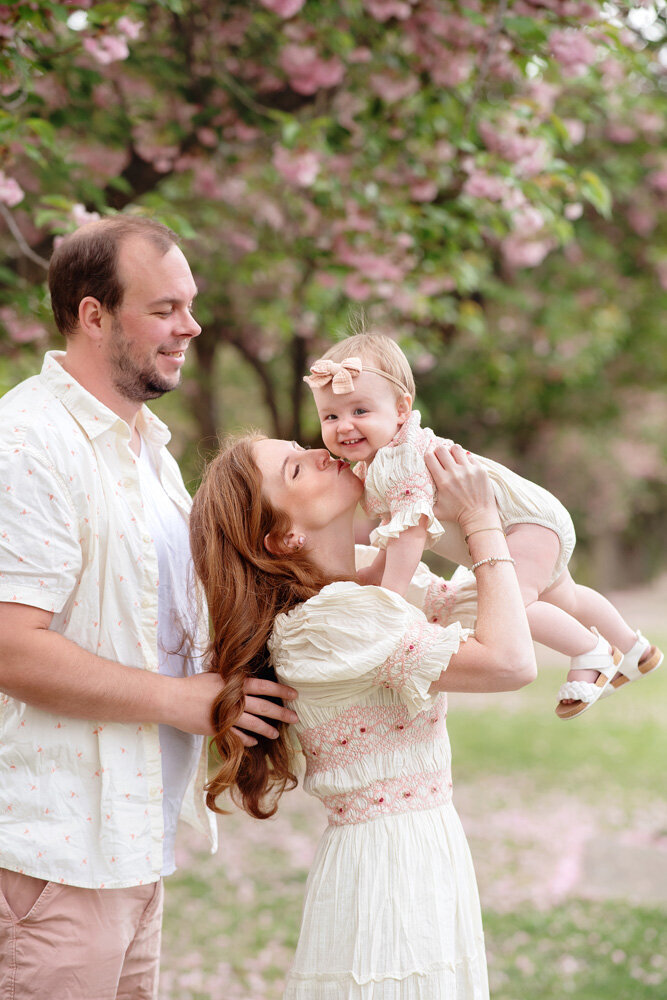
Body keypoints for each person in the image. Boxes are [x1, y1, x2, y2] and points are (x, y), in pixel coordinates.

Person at [0, 216, 297, 1000]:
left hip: (130, 843)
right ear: (93, 315)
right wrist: (181, 702)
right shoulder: (30, 443)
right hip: (48, 857)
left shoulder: (150, 455)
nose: (190, 326)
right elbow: (9, 646)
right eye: (164, 308)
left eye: (190, 305)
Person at [189, 430, 537, 999]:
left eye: (300, 446)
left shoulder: (368, 590)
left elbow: (511, 604)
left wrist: (451, 503)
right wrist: (480, 523)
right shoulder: (328, 624)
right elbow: (510, 662)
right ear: (283, 536)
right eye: (296, 470)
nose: (321, 452)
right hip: (387, 869)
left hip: (424, 848)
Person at [303, 332, 663, 721]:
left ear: (402, 409)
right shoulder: (385, 460)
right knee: (566, 598)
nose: (344, 426)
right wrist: (374, 571)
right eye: (331, 416)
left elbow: (411, 533)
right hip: (533, 521)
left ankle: (590, 652)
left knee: (514, 604)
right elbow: (398, 528)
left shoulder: (403, 460)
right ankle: (635, 649)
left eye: (360, 411)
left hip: (519, 525)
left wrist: (390, 593)